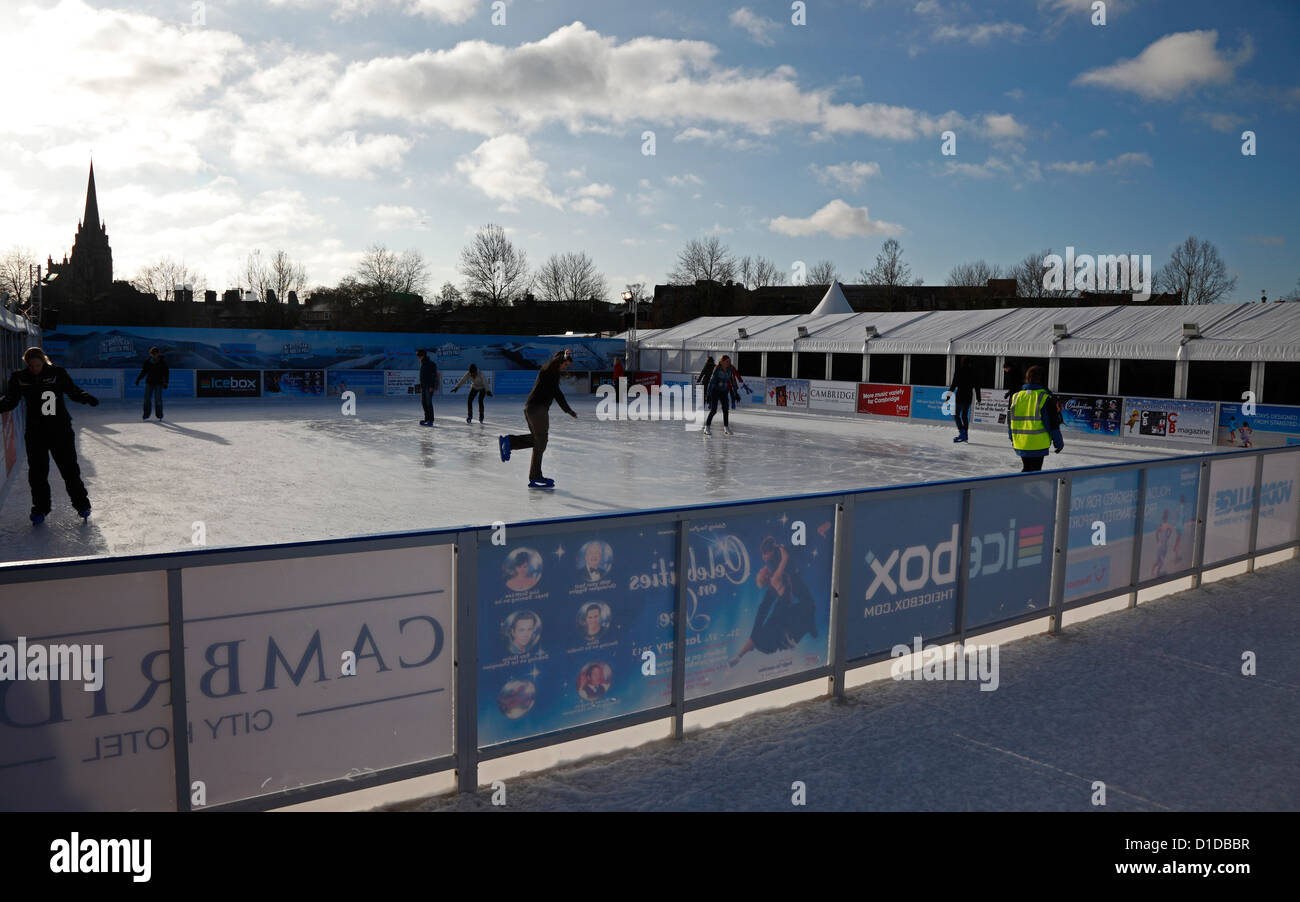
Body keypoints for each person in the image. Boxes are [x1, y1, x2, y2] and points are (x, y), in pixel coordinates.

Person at [0, 347, 100, 524]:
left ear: (44, 361)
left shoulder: (57, 373)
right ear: (26, 363)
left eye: (37, 365)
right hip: (35, 433)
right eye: (30, 366)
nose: (34, 369)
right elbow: (11, 400)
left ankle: (82, 505)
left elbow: (73, 391)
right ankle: (40, 509)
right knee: (37, 474)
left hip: (60, 431)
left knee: (69, 470)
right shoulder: (19, 378)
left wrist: (86, 397)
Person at [499, 349, 577, 488]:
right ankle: (533, 473)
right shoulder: (547, 369)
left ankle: (511, 443)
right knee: (541, 441)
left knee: (538, 441)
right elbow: (553, 363)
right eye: (565, 364)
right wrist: (563, 356)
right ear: (559, 361)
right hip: (538, 410)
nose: (565, 367)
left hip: (533, 409)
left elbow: (558, 394)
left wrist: (568, 410)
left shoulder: (553, 377)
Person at [1007, 365, 1063, 472]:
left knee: (1026, 468)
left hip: (1021, 442)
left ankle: (1022, 487)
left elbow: (1010, 422)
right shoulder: (1045, 397)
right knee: (1036, 471)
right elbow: (1053, 423)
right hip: (1038, 443)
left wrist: (1012, 438)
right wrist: (1058, 443)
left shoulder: (1015, 397)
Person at [949, 357, 982, 443]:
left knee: (956, 415)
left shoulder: (959, 371)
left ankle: (962, 432)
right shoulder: (973, 372)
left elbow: (954, 384)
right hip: (968, 397)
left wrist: (949, 395)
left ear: (962, 362)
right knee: (964, 416)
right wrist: (978, 398)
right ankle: (965, 434)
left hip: (960, 396)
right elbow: (977, 386)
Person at [704, 354, 738, 436]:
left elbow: (732, 381)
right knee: (714, 410)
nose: (728, 363)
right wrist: (708, 394)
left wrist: (735, 393)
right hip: (715, 391)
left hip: (724, 391)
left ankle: (726, 428)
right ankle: (707, 427)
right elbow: (711, 382)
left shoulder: (729, 370)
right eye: (727, 361)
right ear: (722, 362)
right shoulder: (717, 369)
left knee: (726, 410)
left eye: (729, 361)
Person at [134, 346, 169, 421]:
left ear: (158, 353)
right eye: (153, 354)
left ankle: (159, 415)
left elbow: (166, 373)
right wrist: (138, 379)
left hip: (159, 383)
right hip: (149, 382)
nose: (154, 355)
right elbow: (143, 372)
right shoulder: (147, 362)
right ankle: (146, 414)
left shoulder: (162, 362)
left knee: (158, 400)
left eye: (156, 353)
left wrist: (166, 382)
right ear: (151, 354)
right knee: (147, 399)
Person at [416, 348, 437, 426]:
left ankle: (431, 420)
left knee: (428, 402)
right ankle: (427, 418)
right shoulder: (422, 363)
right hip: (424, 386)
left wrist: (432, 386)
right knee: (424, 402)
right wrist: (421, 386)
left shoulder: (430, 363)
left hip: (429, 386)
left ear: (423, 355)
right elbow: (422, 376)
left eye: (419, 356)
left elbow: (433, 375)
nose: (418, 358)